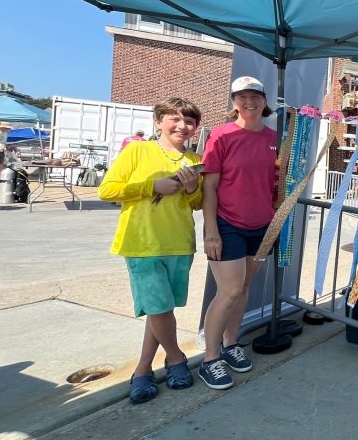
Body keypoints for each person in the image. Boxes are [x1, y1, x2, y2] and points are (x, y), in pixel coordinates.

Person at [97, 98, 203, 405]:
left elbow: (196, 204)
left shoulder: (196, 159)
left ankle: (143, 369)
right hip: (141, 243)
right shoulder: (137, 150)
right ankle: (176, 357)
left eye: (189, 121)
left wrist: (192, 187)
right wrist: (152, 186)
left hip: (180, 243)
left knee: (161, 310)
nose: (183, 126)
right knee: (158, 308)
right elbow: (107, 190)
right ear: (158, 121)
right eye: (175, 119)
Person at [199, 76, 278, 390]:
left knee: (243, 287)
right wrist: (211, 231)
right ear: (234, 102)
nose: (249, 102)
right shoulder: (221, 136)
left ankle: (232, 344)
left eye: (255, 96)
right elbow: (210, 187)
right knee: (229, 291)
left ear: (264, 101)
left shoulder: (275, 137)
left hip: (262, 226)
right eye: (242, 97)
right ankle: (210, 358)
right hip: (228, 224)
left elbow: (275, 182)